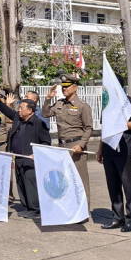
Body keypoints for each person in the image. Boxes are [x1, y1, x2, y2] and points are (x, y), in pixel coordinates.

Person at [0, 91, 51, 218]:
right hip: (19, 157)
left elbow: (46, 142)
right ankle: (26, 206)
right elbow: (6, 110)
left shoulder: (38, 123)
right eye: (19, 108)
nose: (19, 110)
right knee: (21, 183)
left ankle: (35, 209)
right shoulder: (18, 118)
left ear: (30, 110)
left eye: (21, 108)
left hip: (31, 159)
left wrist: (37, 154)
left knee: (30, 184)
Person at [43, 74, 94, 210]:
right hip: (62, 146)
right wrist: (48, 99)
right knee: (65, 179)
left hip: (75, 146)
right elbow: (45, 114)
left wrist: (81, 145)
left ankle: (84, 210)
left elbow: (88, 128)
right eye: (63, 87)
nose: (64, 89)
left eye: (67, 86)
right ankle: (70, 208)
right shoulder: (59, 103)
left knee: (80, 179)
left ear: (75, 87)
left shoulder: (82, 106)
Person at [98, 87, 131, 232]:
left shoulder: (129, 102)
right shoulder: (107, 103)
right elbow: (105, 128)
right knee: (113, 185)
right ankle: (117, 217)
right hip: (109, 148)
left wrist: (119, 122)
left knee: (127, 185)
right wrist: (100, 149)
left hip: (124, 149)